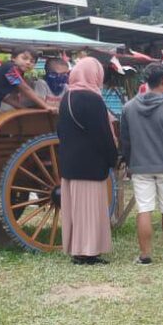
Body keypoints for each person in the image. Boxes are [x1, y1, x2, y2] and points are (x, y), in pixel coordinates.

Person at [56, 57, 118, 265]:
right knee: (89, 210)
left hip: (71, 163)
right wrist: (113, 158)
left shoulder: (67, 97)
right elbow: (103, 135)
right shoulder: (92, 99)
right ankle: (87, 252)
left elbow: (60, 130)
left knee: (77, 210)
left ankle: (78, 249)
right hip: (89, 165)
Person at [121, 63, 163, 265]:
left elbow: (125, 141)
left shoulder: (128, 108)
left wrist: (129, 163)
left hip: (140, 167)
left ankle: (145, 255)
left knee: (144, 209)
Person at [0, 47, 54, 118]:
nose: (28, 62)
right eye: (24, 58)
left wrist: (23, 108)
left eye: (32, 61)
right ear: (13, 58)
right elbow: (26, 89)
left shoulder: (16, 75)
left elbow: (5, 97)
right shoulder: (9, 68)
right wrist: (47, 106)